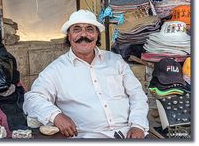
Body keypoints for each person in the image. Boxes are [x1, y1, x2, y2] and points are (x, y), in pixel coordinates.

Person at [23, 10, 149, 139]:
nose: (84, 34)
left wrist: (138, 125)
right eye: (77, 30)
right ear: (69, 36)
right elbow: (32, 99)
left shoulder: (115, 61)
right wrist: (55, 116)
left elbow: (137, 94)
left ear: (97, 35)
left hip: (128, 133)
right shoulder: (56, 70)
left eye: (90, 29)